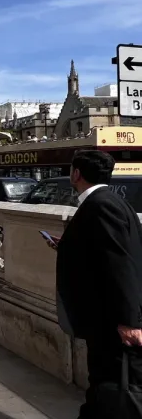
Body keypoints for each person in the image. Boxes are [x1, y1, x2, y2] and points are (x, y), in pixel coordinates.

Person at [52, 151, 142, 418]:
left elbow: (120, 264)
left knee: (113, 382)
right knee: (103, 383)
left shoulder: (100, 205)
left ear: (76, 173)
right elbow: (104, 251)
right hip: (108, 317)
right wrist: (67, 245)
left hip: (110, 320)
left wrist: (129, 322)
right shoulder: (114, 201)